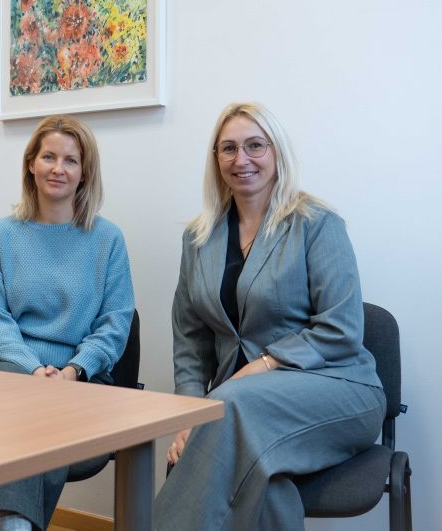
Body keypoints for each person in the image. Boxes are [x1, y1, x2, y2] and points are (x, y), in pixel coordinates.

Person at [154, 102, 386, 530]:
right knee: (259, 475)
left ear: (277, 151)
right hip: (240, 409)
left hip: (337, 389)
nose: (241, 159)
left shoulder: (316, 223)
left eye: (255, 146)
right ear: (216, 159)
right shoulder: (198, 238)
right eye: (228, 148)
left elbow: (343, 328)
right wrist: (189, 416)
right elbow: (190, 340)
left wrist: (260, 367)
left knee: (223, 418)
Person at [0, 115, 135, 531]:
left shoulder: (107, 239)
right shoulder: (1, 235)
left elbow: (115, 324)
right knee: (21, 412)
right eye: (48, 157)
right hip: (11, 371)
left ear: (84, 172)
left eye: (71, 160)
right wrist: (34, 371)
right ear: (31, 164)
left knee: (23, 425)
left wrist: (72, 372)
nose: (58, 168)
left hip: (82, 381)